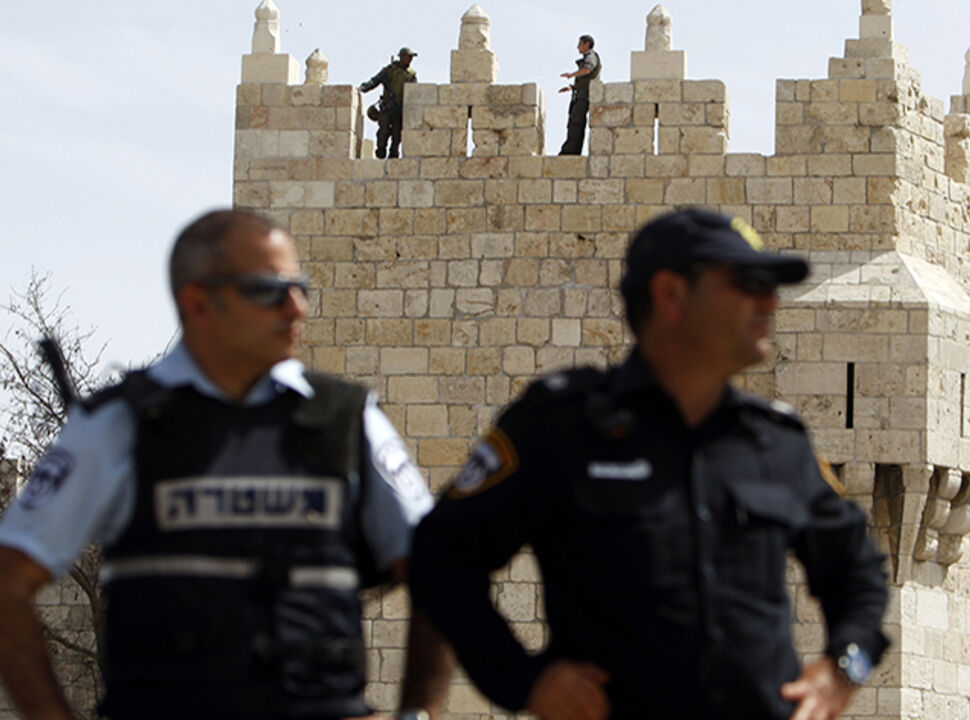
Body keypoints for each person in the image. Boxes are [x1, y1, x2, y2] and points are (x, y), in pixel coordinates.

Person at [409, 208, 890, 720]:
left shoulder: (776, 443)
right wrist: (524, 680)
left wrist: (843, 670)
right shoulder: (562, 427)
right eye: (749, 282)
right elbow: (441, 555)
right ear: (671, 295)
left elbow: (857, 570)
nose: (770, 302)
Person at [0, 209, 451, 720]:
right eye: (269, 290)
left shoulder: (348, 421)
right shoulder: (118, 425)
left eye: (299, 287)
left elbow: (440, 568)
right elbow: (9, 580)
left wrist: (418, 712)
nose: (296, 307)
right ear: (198, 302)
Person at [360, 47, 419, 159]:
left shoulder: (411, 75)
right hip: (387, 107)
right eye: (408, 57)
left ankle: (393, 154)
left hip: (399, 109)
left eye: (411, 57)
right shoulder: (389, 71)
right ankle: (381, 151)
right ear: (402, 57)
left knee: (397, 134)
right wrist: (363, 88)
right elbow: (375, 81)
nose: (410, 59)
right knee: (384, 131)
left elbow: (414, 93)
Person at [557, 34, 600, 156]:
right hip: (581, 93)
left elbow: (587, 69)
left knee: (576, 122)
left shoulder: (590, 56)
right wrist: (571, 87)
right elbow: (584, 80)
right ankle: (572, 150)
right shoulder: (589, 56)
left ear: (587, 44)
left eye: (580, 44)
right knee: (575, 124)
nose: (578, 47)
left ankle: (570, 151)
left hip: (584, 96)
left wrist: (572, 75)